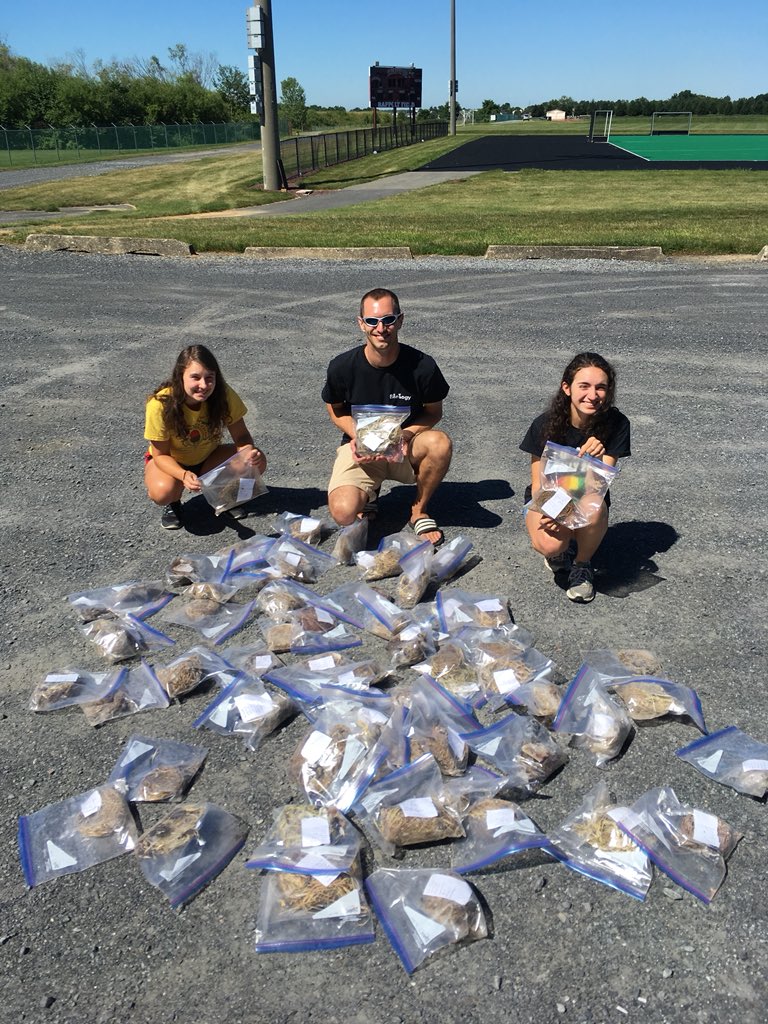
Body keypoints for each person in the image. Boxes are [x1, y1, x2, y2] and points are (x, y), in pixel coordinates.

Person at [322, 288, 452, 546]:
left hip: (405, 447)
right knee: (343, 512)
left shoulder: (423, 366)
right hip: (361, 446)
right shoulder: (342, 367)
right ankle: (369, 495)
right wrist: (359, 436)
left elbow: (434, 412)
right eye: (372, 321)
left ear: (400, 320)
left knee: (440, 443)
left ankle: (419, 509)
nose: (380, 328)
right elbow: (335, 409)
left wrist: (406, 433)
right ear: (361, 324)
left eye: (388, 320)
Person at [520, 352, 631, 603]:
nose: (593, 395)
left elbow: (599, 487)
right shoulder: (545, 424)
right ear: (567, 388)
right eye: (584, 386)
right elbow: (538, 484)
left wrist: (595, 457)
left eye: (601, 387)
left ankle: (582, 564)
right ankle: (560, 553)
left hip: (589, 498)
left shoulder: (616, 423)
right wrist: (556, 512)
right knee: (550, 545)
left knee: (596, 509)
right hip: (548, 497)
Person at [144, 344, 267, 530]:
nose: (204, 385)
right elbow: (160, 455)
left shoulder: (222, 394)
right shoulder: (160, 404)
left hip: (208, 457)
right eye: (195, 377)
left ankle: (223, 497)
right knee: (162, 492)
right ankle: (174, 504)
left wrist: (248, 452)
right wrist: (183, 474)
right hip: (172, 461)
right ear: (180, 376)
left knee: (257, 461)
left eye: (210, 378)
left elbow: (241, 436)